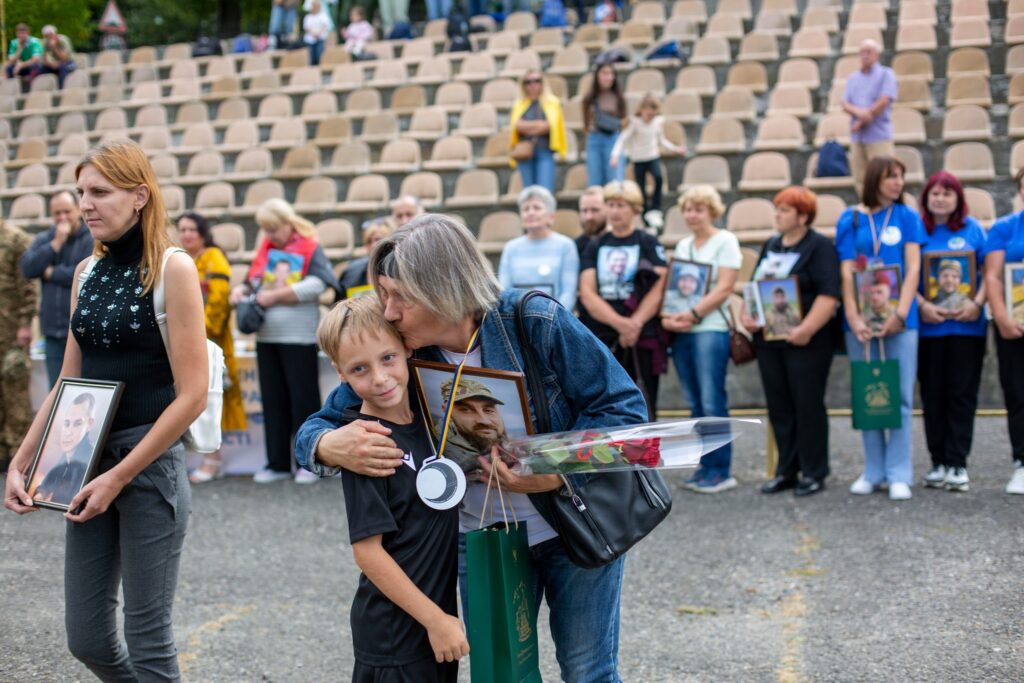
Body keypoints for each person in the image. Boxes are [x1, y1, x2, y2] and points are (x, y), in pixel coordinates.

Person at [296, 215, 649, 682]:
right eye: (385, 295)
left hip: (571, 527)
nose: (391, 312)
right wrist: (327, 446)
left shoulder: (534, 320)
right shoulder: (402, 352)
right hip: (480, 538)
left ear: (442, 287)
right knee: (501, 673)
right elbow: (315, 428)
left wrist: (555, 473)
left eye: (400, 295)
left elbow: (623, 411)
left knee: (588, 672)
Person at [4, 139, 208, 680]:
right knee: (87, 639)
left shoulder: (175, 269)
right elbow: (68, 380)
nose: (86, 204)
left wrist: (119, 476)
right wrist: (21, 461)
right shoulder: (85, 274)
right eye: (81, 192)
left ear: (139, 195)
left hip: (146, 469)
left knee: (148, 642)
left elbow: (193, 395)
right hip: (84, 463)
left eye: (99, 192)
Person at [317, 295, 467, 681]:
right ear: (341, 374)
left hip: (430, 624)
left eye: (387, 358)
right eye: (360, 369)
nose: (380, 378)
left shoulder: (429, 415)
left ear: (406, 348)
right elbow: (368, 553)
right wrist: (436, 620)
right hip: (394, 637)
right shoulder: (366, 444)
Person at [230, 199, 338, 484]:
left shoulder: (310, 247)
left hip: (298, 337)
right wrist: (242, 289)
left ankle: (308, 462)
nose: (270, 235)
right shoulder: (266, 250)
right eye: (266, 230)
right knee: (273, 401)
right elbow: (254, 282)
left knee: (303, 401)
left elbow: (320, 284)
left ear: (288, 223)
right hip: (267, 336)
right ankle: (277, 463)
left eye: (274, 229)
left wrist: (277, 295)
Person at [742, 187, 840, 497]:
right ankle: (786, 470)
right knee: (780, 406)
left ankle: (813, 471)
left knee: (807, 404)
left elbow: (828, 293)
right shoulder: (771, 244)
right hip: (770, 342)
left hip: (807, 341)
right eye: (777, 209)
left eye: (784, 210)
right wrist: (748, 314)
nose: (777, 215)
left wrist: (807, 328)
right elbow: (756, 286)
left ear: (802, 216)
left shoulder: (819, 247)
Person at [836, 156, 924, 501]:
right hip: (861, 321)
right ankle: (873, 470)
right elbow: (846, 271)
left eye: (901, 177)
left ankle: (899, 471)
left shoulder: (907, 217)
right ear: (875, 179)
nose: (898, 183)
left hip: (901, 321)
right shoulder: (851, 218)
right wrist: (854, 316)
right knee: (868, 390)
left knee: (900, 395)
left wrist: (900, 314)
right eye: (891, 177)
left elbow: (913, 268)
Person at [664, 185, 742, 493]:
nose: (691, 215)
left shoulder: (726, 241)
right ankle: (705, 466)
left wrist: (692, 314)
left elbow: (724, 288)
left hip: (709, 328)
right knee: (694, 402)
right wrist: (671, 317)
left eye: (698, 209)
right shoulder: (684, 245)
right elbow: (676, 291)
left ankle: (721, 470)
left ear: (712, 211)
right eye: (687, 209)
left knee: (712, 400)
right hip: (684, 330)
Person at [915, 171, 987, 493]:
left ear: (958, 198)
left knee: (961, 395)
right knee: (933, 396)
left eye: (947, 193)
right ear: (926, 198)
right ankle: (938, 462)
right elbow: (903, 276)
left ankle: (958, 463)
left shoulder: (973, 230)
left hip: (967, 329)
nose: (940, 198)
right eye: (935, 193)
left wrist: (977, 302)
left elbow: (991, 273)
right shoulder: (918, 231)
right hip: (929, 330)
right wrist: (921, 305)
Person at [579, 180, 669, 417]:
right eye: (610, 204)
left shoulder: (647, 242)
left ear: (635, 209)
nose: (615, 211)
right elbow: (588, 292)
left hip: (642, 336)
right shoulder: (596, 244)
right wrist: (621, 324)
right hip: (605, 336)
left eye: (622, 205)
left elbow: (659, 286)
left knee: (645, 403)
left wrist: (635, 323)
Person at [176, 212, 247, 484]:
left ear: (203, 232)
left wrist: (196, 332)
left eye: (192, 229)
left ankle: (213, 460)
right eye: (182, 230)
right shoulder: (185, 259)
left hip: (210, 341)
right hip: (187, 339)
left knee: (210, 399)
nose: (186, 234)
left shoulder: (213, 257)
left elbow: (218, 304)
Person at [20, 191, 94, 389]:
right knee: (57, 389)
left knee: (85, 388)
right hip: (53, 331)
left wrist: (51, 273)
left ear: (78, 209)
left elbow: (83, 275)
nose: (62, 218)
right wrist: (55, 244)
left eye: (67, 211)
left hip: (83, 330)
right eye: (57, 213)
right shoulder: (46, 239)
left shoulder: (90, 238)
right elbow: (27, 268)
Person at [983, 167, 1024, 495]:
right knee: (1018, 394)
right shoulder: (1004, 229)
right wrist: (1002, 318)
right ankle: (1022, 463)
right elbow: (993, 276)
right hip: (1014, 325)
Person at [610, 94, 687, 229]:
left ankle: (655, 209)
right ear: (642, 110)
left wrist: (675, 149)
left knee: (658, 178)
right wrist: (615, 155)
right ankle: (646, 213)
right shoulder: (635, 123)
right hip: (638, 159)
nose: (650, 117)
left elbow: (661, 140)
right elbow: (622, 139)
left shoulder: (657, 123)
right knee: (641, 188)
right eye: (648, 114)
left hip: (652, 156)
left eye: (653, 114)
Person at [498, 185, 580, 311]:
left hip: (556, 320)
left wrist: (552, 320)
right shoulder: (511, 248)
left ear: (551, 216)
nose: (530, 212)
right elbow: (504, 292)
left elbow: (568, 294)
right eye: (526, 209)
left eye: (537, 208)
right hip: (518, 320)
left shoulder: (566, 245)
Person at [0, 219, 37, 472]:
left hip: (11, 329)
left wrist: (25, 324)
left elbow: (28, 285)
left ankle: (18, 455)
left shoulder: (16, 239)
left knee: (15, 391)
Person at [842, 39, 898, 193]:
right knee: (860, 178)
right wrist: (861, 116)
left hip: (878, 134)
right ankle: (867, 210)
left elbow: (885, 99)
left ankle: (885, 211)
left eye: (869, 52)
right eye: (862, 52)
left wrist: (865, 117)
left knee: (884, 175)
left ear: (877, 55)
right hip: (857, 136)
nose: (865, 55)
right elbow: (845, 103)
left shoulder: (886, 74)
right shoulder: (853, 78)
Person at [31, 392, 95, 507]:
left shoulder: (88, 459)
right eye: (66, 424)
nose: (68, 432)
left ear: (89, 425)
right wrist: (42, 493)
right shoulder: (68, 455)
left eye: (77, 424)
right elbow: (55, 474)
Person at [509, 69, 567, 192]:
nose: (532, 84)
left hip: (544, 151)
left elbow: (548, 126)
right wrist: (538, 126)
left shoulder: (552, 102)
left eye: (536, 81)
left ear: (542, 83)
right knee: (528, 192)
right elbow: (517, 126)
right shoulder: (519, 104)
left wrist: (527, 127)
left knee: (545, 191)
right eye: (528, 82)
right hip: (524, 153)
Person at [434, 377, 509, 473]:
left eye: (488, 410)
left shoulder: (511, 446)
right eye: (466, 410)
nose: (484, 421)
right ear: (447, 411)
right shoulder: (438, 451)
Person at [582, 62, 627, 188]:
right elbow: (586, 121)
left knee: (614, 180)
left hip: (613, 138)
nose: (608, 77)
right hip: (594, 138)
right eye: (605, 73)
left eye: (611, 74)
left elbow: (623, 120)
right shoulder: (589, 98)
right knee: (595, 181)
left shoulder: (619, 97)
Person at [340, 220, 393, 298]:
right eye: (368, 241)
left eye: (377, 239)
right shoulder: (352, 272)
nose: (373, 245)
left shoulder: (397, 270)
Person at [576, 185, 608, 258]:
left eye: (595, 210)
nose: (589, 217)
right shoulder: (574, 247)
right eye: (584, 210)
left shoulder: (620, 244)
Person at [303, 0, 332, 65]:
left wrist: (319, 33)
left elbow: (326, 26)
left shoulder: (323, 15)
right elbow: (306, 28)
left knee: (320, 55)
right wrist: (313, 33)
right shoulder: (308, 17)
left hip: (320, 39)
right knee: (311, 57)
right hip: (310, 40)